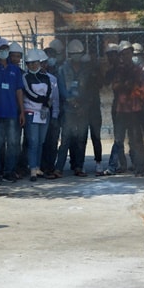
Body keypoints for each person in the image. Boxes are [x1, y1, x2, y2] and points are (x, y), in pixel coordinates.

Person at [103, 40, 144, 177]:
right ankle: (114, 166)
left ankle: (138, 166)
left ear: (132, 53)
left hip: (134, 109)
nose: (125, 56)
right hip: (121, 109)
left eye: (128, 53)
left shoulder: (137, 69)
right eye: (123, 54)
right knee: (118, 139)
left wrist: (129, 86)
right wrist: (128, 85)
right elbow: (114, 86)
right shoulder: (118, 70)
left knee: (135, 139)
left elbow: (142, 88)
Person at [0, 38, 25, 183]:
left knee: (13, 143)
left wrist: (22, 111)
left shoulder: (15, 69)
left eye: (6, 48)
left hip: (12, 113)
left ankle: (9, 171)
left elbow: (19, 90)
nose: (4, 51)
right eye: (1, 49)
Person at [53, 39, 91, 177]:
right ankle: (59, 169)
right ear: (69, 53)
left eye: (79, 53)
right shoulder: (62, 69)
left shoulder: (86, 70)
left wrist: (82, 104)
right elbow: (62, 88)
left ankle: (79, 167)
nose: (76, 55)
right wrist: (70, 101)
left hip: (82, 109)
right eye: (74, 53)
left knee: (81, 139)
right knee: (66, 140)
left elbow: (88, 90)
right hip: (68, 109)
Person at [22, 49, 52, 181]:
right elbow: (28, 93)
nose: (33, 65)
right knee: (33, 141)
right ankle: (32, 168)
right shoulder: (25, 77)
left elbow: (50, 92)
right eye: (29, 63)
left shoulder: (46, 77)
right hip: (31, 112)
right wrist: (43, 100)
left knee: (41, 141)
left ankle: (38, 167)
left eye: (35, 62)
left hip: (44, 113)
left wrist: (46, 105)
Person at [39, 49, 60, 179]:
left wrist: (55, 116)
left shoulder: (52, 79)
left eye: (44, 63)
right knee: (41, 141)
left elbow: (56, 99)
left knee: (52, 142)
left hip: (50, 112)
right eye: (39, 63)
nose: (42, 66)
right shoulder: (31, 79)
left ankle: (50, 167)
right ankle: (40, 167)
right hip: (38, 113)